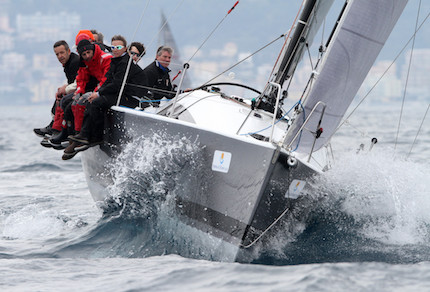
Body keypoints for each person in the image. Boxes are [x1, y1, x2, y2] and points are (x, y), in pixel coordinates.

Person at [62, 35, 147, 160]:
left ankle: (92, 136)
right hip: (119, 93)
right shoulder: (115, 60)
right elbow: (107, 79)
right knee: (91, 101)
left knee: (96, 103)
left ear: (125, 49)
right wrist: (97, 92)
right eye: (113, 47)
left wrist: (100, 94)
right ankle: (83, 135)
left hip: (131, 97)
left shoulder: (125, 62)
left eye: (118, 47)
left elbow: (117, 84)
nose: (115, 49)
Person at [33, 40, 80, 145]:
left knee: (64, 100)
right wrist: (65, 87)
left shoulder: (74, 62)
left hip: (82, 90)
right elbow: (72, 81)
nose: (60, 56)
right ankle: (53, 127)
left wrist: (66, 89)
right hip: (75, 88)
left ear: (68, 51)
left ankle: (60, 131)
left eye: (62, 53)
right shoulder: (67, 63)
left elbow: (79, 81)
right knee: (60, 96)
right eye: (57, 54)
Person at [70, 39, 112, 139]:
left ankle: (86, 134)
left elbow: (106, 79)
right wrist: (79, 91)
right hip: (100, 88)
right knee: (75, 102)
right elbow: (81, 78)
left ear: (92, 50)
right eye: (84, 54)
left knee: (85, 102)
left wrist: (96, 92)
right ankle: (78, 133)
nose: (87, 56)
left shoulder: (105, 58)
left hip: (107, 88)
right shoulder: (84, 62)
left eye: (88, 52)